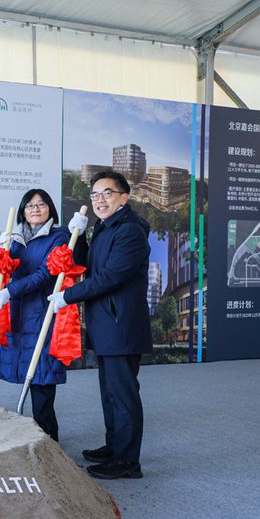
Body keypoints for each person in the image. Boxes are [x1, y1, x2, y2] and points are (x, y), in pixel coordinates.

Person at [49, 170, 152, 480]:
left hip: (120, 324)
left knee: (123, 394)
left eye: (107, 193)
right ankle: (114, 447)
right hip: (106, 323)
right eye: (94, 195)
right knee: (110, 392)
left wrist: (68, 296)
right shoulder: (105, 228)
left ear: (124, 197)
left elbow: (110, 277)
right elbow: (86, 266)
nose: (99, 200)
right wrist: (77, 238)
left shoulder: (130, 231)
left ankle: (128, 461)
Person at [0, 189, 69, 439]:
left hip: (43, 311)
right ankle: (34, 435)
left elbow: (46, 273)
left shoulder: (60, 236)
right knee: (27, 372)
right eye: (30, 206)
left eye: (41, 204)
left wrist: (11, 290)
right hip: (20, 313)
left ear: (50, 209)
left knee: (42, 376)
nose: (35, 209)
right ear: (23, 211)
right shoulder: (16, 239)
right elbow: (0, 271)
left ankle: (48, 438)